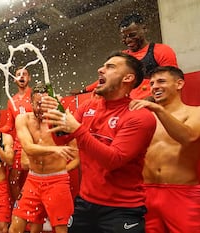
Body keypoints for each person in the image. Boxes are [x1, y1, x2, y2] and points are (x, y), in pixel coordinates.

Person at [43, 52, 157, 233]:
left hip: (121, 210)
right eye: (103, 65)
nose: (100, 69)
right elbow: (62, 138)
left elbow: (113, 160)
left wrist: (77, 129)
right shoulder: (88, 107)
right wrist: (54, 115)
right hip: (85, 203)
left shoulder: (140, 117)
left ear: (128, 78)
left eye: (110, 67)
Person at [129, 66, 200, 233]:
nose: (154, 87)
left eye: (161, 81)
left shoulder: (195, 112)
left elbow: (188, 138)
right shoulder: (145, 118)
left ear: (179, 84)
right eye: (152, 83)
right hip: (145, 193)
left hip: (182, 193)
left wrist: (158, 109)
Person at [8, 82, 79, 233]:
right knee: (15, 227)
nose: (42, 108)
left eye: (46, 103)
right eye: (38, 104)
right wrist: (55, 149)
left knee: (60, 229)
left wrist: (62, 170)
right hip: (33, 180)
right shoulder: (23, 119)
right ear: (31, 102)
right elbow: (28, 147)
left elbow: (76, 157)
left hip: (57, 181)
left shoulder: (61, 120)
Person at [71, 13, 178, 100]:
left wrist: (150, 100)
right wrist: (83, 91)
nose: (128, 40)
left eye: (132, 35)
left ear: (144, 29)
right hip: (127, 107)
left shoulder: (162, 51)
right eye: (124, 37)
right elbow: (107, 78)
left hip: (155, 106)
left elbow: (172, 81)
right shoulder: (122, 57)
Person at [0, 66, 32, 205]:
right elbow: (9, 125)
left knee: (37, 178)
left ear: (29, 78)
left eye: (24, 74)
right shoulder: (11, 101)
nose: (22, 76)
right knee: (13, 179)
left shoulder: (35, 95)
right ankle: (20, 207)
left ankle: (36, 209)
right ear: (14, 79)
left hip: (35, 143)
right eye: (18, 74)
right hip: (19, 145)